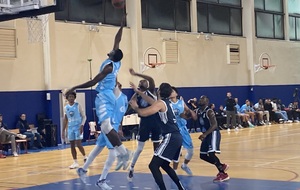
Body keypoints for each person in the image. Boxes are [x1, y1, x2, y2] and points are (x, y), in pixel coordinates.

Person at [65, 14, 132, 171]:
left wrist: (74, 88)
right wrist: (121, 25)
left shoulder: (109, 67)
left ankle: (123, 152)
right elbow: (118, 40)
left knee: (107, 126)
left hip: (105, 95)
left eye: (112, 50)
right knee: (106, 128)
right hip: (108, 95)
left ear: (112, 55)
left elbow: (93, 82)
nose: (111, 49)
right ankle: (121, 153)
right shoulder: (116, 61)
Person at [129, 82, 185, 190]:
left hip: (171, 137)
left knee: (153, 166)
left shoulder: (160, 103)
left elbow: (144, 113)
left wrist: (136, 107)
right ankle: (181, 188)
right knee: (164, 165)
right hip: (176, 137)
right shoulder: (165, 102)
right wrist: (138, 92)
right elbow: (151, 101)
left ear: (158, 91)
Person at [77, 82, 128, 189]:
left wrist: (120, 127)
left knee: (98, 148)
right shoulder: (107, 97)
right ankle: (102, 180)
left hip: (115, 126)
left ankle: (83, 169)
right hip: (109, 128)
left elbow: (121, 114)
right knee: (112, 153)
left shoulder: (124, 98)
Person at [127, 68, 162, 181]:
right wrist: (134, 102)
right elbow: (131, 103)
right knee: (140, 148)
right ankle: (132, 167)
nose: (143, 81)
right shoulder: (136, 94)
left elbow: (150, 79)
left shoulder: (151, 90)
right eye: (141, 81)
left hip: (155, 120)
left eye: (144, 81)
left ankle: (156, 166)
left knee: (156, 146)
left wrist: (136, 73)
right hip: (145, 121)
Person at [194, 95, 229, 182]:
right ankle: (221, 165)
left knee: (211, 154)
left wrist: (205, 134)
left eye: (203, 99)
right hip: (206, 134)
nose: (201, 99)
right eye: (200, 98)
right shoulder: (198, 111)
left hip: (213, 133)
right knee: (203, 155)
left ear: (207, 102)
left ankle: (223, 174)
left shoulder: (209, 111)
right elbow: (187, 115)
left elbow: (214, 125)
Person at [170, 86, 196, 176]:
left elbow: (187, 113)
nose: (171, 92)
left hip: (183, 129)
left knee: (191, 151)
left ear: (176, 93)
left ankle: (184, 165)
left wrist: (188, 115)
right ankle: (174, 171)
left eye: (172, 91)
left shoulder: (181, 101)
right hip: (173, 130)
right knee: (176, 152)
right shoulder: (167, 103)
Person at [62, 91, 87, 169]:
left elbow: (84, 116)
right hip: (70, 128)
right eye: (69, 97)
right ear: (67, 98)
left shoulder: (78, 105)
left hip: (78, 127)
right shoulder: (66, 108)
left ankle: (85, 157)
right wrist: (63, 131)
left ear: (74, 98)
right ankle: (75, 162)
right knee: (72, 145)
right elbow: (65, 119)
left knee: (78, 144)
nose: (71, 98)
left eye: (72, 97)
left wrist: (82, 125)